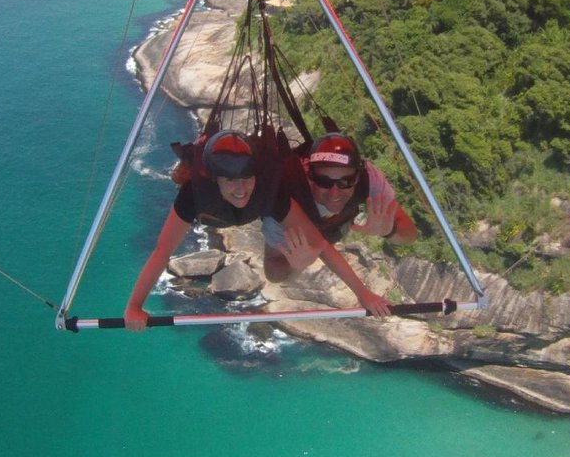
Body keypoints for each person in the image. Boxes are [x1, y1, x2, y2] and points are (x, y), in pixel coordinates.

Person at [124, 129, 391, 330]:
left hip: (259, 206)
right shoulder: (194, 196)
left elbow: (320, 243)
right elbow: (162, 251)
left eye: (246, 179)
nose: (241, 189)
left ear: (256, 176)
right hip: (214, 210)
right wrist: (135, 306)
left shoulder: (269, 193)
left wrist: (363, 293)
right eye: (230, 180)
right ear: (216, 178)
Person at [263, 132, 418, 283]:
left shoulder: (368, 178)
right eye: (324, 182)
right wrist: (297, 266)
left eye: (345, 182)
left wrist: (389, 231)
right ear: (309, 174)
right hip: (303, 231)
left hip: (332, 230)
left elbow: (410, 234)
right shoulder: (286, 196)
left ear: (357, 177)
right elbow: (273, 273)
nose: (335, 193)